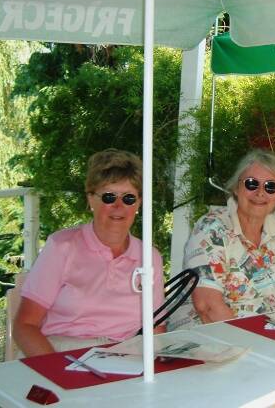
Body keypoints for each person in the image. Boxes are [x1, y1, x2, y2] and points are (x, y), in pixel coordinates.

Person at [13, 149, 165, 357]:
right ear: (91, 199)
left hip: (126, 359)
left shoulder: (149, 257)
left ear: (139, 203)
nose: (118, 206)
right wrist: (59, 373)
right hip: (60, 354)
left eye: (129, 198)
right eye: (109, 197)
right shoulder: (62, 247)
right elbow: (25, 326)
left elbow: (156, 330)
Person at [181, 149, 275, 324]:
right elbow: (208, 307)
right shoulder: (211, 230)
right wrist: (252, 344)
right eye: (251, 183)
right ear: (236, 188)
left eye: (271, 186)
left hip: (269, 342)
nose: (260, 193)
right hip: (213, 339)